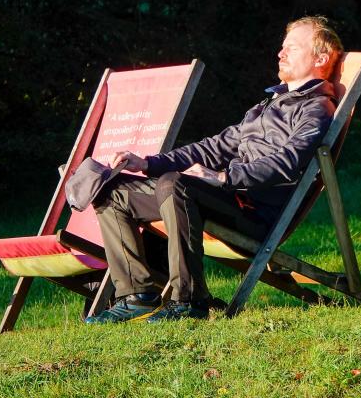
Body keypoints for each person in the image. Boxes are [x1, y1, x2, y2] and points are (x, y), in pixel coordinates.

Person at [87, 16, 343, 323]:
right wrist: (148, 163)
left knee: (175, 185)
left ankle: (188, 301)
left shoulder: (315, 108)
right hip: (230, 198)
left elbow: (287, 162)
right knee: (110, 191)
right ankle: (135, 294)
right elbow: (214, 147)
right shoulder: (268, 104)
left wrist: (223, 177)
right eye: (282, 47)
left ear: (320, 58)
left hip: (253, 211)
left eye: (292, 47)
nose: (280, 53)